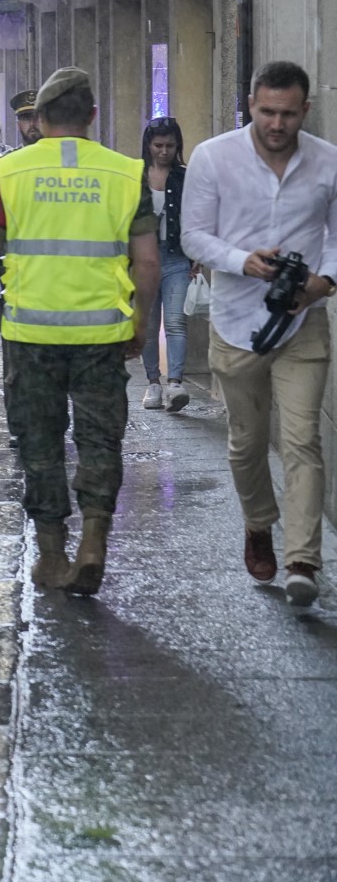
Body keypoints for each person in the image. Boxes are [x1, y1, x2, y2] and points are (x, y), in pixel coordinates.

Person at [0, 68, 159, 598]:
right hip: (101, 333)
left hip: (32, 335)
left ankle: (50, 555)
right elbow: (148, 262)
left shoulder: (9, 171)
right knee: (99, 440)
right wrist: (140, 324)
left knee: (39, 444)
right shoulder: (125, 171)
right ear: (92, 117)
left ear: (39, 121)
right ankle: (93, 542)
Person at [183, 61, 337, 607]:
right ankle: (257, 522)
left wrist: (323, 280)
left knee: (302, 441)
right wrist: (241, 260)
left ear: (305, 111)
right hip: (235, 323)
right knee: (247, 444)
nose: (277, 123)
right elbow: (194, 236)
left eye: (288, 114)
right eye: (267, 111)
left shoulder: (327, 162)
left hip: (302, 321)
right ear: (250, 105)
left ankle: (302, 560)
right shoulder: (212, 157)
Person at [140, 117, 198, 412]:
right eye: (158, 145)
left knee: (176, 322)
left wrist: (196, 254)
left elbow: (197, 216)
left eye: (170, 146)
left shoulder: (184, 177)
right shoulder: (136, 175)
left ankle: (175, 382)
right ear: (148, 145)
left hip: (176, 256)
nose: (164, 151)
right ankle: (153, 382)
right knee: (148, 325)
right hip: (144, 258)